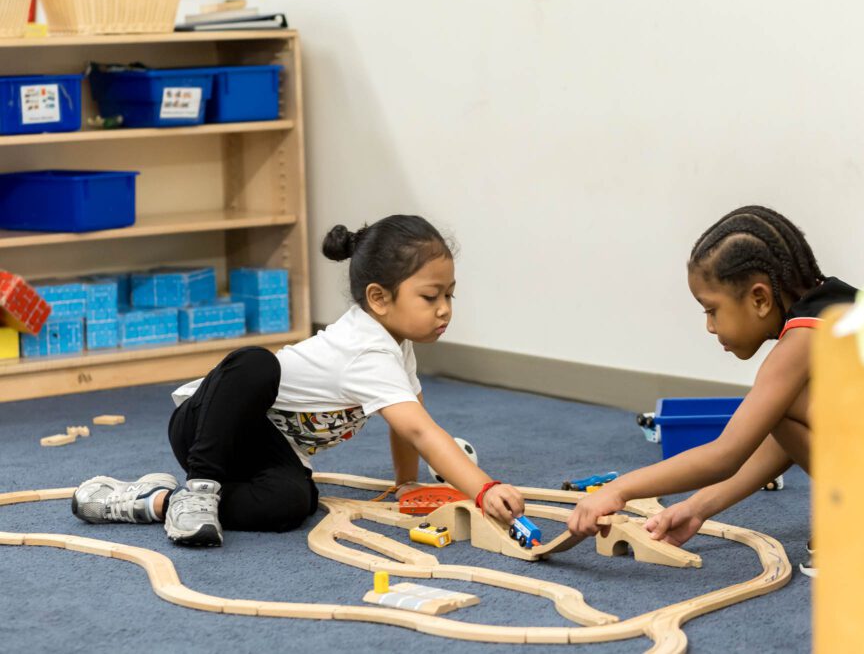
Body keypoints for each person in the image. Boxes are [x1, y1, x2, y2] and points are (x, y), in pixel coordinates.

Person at [71, 215, 525, 546]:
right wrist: (484, 489)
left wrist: (406, 483)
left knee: (294, 503)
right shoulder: (365, 348)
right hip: (207, 426)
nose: (445, 309)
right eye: (430, 297)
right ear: (378, 298)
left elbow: (411, 420)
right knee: (257, 364)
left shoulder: (395, 346)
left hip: (265, 448)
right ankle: (200, 487)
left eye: (450, 295)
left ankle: (157, 501)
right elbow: (422, 431)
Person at [567, 206, 856, 574]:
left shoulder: (800, 344)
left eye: (712, 310)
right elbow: (781, 441)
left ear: (759, 299)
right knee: (778, 407)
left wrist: (617, 490)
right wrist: (696, 508)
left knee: (779, 404)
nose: (710, 326)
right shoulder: (835, 308)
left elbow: (726, 455)